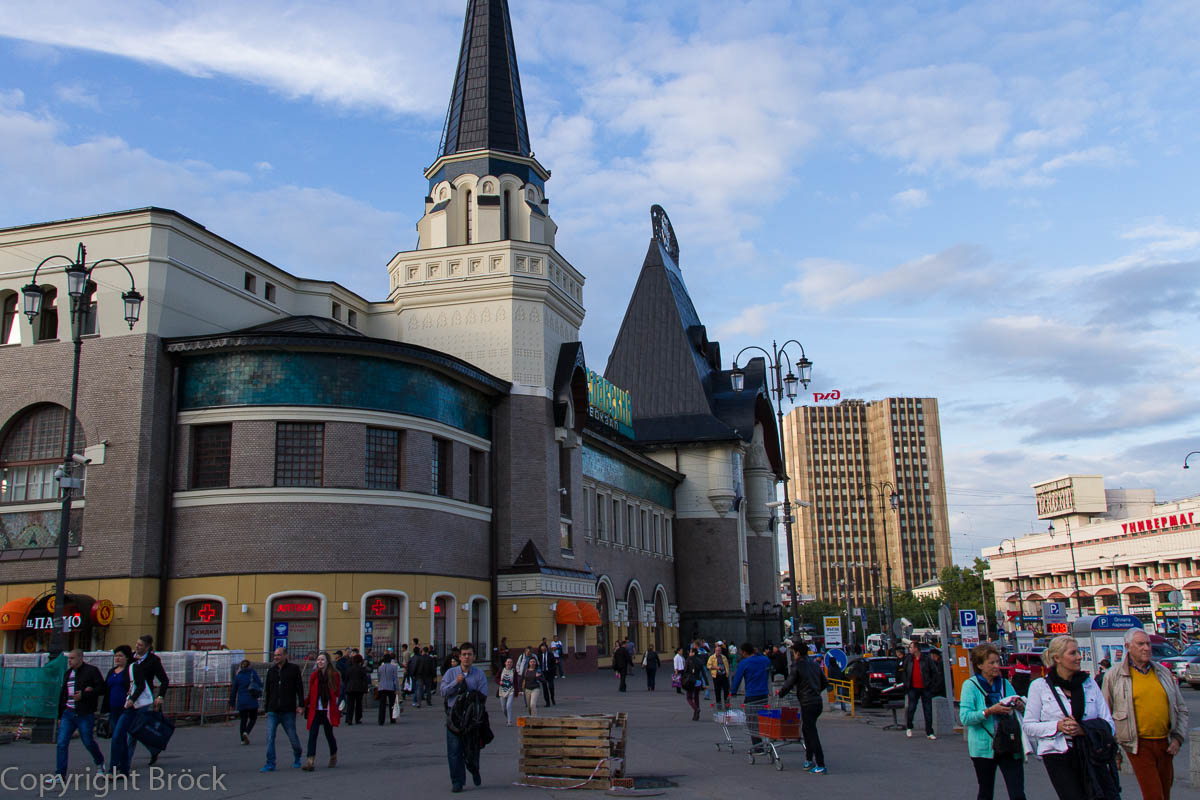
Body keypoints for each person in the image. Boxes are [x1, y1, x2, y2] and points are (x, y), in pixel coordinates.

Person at [1021, 635, 1116, 800]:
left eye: (1078, 652)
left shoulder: (1089, 683)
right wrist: (1058, 726)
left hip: (1090, 753)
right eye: (1073, 653)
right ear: (1057, 658)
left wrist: (1084, 730)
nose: (1079, 657)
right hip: (1057, 753)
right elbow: (1029, 726)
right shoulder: (1040, 687)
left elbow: (1108, 723)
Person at [1101, 628, 1189, 800]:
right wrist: (1115, 749)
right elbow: (1106, 714)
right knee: (1154, 795)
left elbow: (1181, 708)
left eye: (1148, 644)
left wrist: (1178, 738)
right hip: (1138, 745)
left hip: (1165, 743)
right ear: (1128, 647)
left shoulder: (1163, 672)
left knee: (1164, 792)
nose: (1146, 648)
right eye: (1140, 644)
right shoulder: (1114, 675)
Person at [960, 643, 1027, 800]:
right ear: (979, 665)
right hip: (984, 747)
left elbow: (1021, 707)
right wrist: (989, 711)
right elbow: (965, 717)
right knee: (986, 792)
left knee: (1017, 793)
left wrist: (1019, 705)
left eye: (998, 662)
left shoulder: (1005, 684)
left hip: (1009, 742)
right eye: (992, 663)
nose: (997, 666)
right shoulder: (970, 686)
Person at [440, 641, 488, 793]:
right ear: (459, 657)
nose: (467, 657)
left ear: (474, 657)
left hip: (472, 720)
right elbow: (443, 692)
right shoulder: (451, 673)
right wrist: (456, 682)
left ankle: (474, 769)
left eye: (469, 655)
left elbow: (483, 695)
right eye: (464, 655)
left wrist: (472, 696)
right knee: (454, 751)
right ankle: (457, 781)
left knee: (472, 750)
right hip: (454, 718)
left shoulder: (479, 674)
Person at [118, 634, 170, 771]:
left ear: (147, 647)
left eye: (140, 645)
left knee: (134, 731)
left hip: (144, 700)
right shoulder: (131, 659)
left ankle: (126, 763)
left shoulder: (153, 661)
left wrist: (160, 696)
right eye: (137, 644)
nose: (137, 647)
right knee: (134, 730)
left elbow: (164, 680)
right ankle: (153, 749)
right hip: (130, 698)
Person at [778, 641, 829, 774]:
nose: (793, 655)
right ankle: (808, 760)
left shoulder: (797, 666)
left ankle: (820, 764)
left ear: (798, 653)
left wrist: (781, 693)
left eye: (793, 652)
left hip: (807, 703)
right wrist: (816, 691)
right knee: (807, 730)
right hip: (817, 702)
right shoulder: (814, 665)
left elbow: (789, 683)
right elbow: (825, 682)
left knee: (811, 732)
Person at [56, 649, 106, 780]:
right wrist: (60, 715)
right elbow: (63, 695)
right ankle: (60, 775)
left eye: (72, 658)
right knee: (61, 743)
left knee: (88, 741)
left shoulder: (91, 671)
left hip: (84, 713)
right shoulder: (68, 674)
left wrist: (85, 694)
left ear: (80, 658)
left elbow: (102, 688)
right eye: (69, 658)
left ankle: (100, 762)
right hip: (68, 712)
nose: (69, 661)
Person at [260, 647, 305, 772]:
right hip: (273, 710)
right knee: (270, 737)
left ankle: (297, 755)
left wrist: (301, 705)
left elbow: (299, 688)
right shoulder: (271, 671)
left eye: (279, 655)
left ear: (285, 655)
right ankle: (270, 763)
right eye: (275, 655)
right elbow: (267, 691)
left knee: (292, 737)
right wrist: (266, 709)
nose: (276, 657)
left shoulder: (294, 669)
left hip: (288, 710)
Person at [301, 651, 340, 771]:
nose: (320, 662)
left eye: (322, 660)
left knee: (329, 735)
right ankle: (310, 761)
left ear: (327, 662)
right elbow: (311, 693)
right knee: (312, 735)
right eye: (318, 660)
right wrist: (303, 705)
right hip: (315, 710)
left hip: (327, 710)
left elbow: (337, 692)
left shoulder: (334, 675)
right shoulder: (314, 675)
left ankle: (333, 755)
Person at [731, 643, 772, 747]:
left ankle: (758, 746)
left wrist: (733, 692)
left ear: (744, 652)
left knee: (752, 721)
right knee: (762, 719)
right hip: (763, 694)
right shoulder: (764, 660)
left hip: (751, 695)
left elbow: (737, 679)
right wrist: (757, 654)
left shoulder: (744, 663)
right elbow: (768, 663)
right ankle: (765, 741)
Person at [101, 645, 133, 771]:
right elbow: (105, 688)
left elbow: (136, 686)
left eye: (120, 656)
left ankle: (113, 768)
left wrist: (131, 698)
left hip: (125, 709)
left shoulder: (129, 671)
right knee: (121, 738)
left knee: (116, 738)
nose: (118, 658)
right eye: (116, 656)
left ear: (126, 657)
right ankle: (124, 767)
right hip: (113, 709)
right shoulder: (112, 671)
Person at [900, 640, 937, 739]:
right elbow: (904, 672)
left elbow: (934, 672)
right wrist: (906, 684)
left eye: (911, 647)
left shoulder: (926, 659)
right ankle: (909, 726)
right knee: (911, 708)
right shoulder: (908, 659)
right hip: (913, 687)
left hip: (925, 687)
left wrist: (931, 684)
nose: (910, 649)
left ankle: (929, 732)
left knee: (928, 710)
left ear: (916, 648)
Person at [229, 658, 263, 745]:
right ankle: (246, 732)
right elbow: (259, 683)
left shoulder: (238, 676)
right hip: (252, 700)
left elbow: (233, 691)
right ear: (249, 666)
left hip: (242, 701)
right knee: (253, 719)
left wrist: (231, 703)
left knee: (243, 720)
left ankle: (242, 740)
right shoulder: (252, 673)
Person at [681, 645, 707, 721]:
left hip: (691, 681)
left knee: (689, 697)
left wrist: (683, 679)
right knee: (696, 697)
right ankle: (696, 715)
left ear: (693, 653)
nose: (689, 653)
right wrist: (706, 683)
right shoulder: (700, 660)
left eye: (690, 651)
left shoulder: (689, 660)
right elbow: (703, 672)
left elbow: (685, 671)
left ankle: (696, 709)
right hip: (698, 681)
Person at [342, 653, 368, 725]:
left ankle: (349, 719)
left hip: (350, 688)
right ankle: (358, 718)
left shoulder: (349, 669)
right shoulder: (362, 669)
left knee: (350, 704)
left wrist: (346, 687)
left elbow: (346, 679)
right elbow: (365, 680)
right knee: (359, 704)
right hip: (359, 689)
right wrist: (365, 689)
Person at [376, 652, 400, 725]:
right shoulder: (394, 667)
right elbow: (395, 679)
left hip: (382, 687)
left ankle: (381, 720)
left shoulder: (380, 668)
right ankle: (392, 718)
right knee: (392, 704)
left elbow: (379, 678)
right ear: (390, 660)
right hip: (391, 687)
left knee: (382, 704)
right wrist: (397, 689)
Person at [521, 650, 544, 716]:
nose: (532, 663)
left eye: (534, 662)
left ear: (536, 663)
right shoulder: (526, 671)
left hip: (535, 689)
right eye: (531, 662)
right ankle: (532, 718)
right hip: (527, 689)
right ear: (529, 663)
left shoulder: (538, 670)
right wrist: (520, 689)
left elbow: (544, 681)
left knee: (533, 704)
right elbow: (521, 679)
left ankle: (534, 720)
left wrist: (539, 677)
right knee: (529, 707)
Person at [498, 657, 517, 725]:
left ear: (512, 664)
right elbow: (496, 678)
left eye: (510, 662)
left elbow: (516, 682)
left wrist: (517, 691)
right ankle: (508, 718)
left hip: (511, 690)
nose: (509, 663)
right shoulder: (501, 670)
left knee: (508, 706)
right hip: (502, 690)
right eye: (508, 662)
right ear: (505, 663)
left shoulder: (514, 671)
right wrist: (499, 682)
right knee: (504, 708)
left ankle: (509, 721)